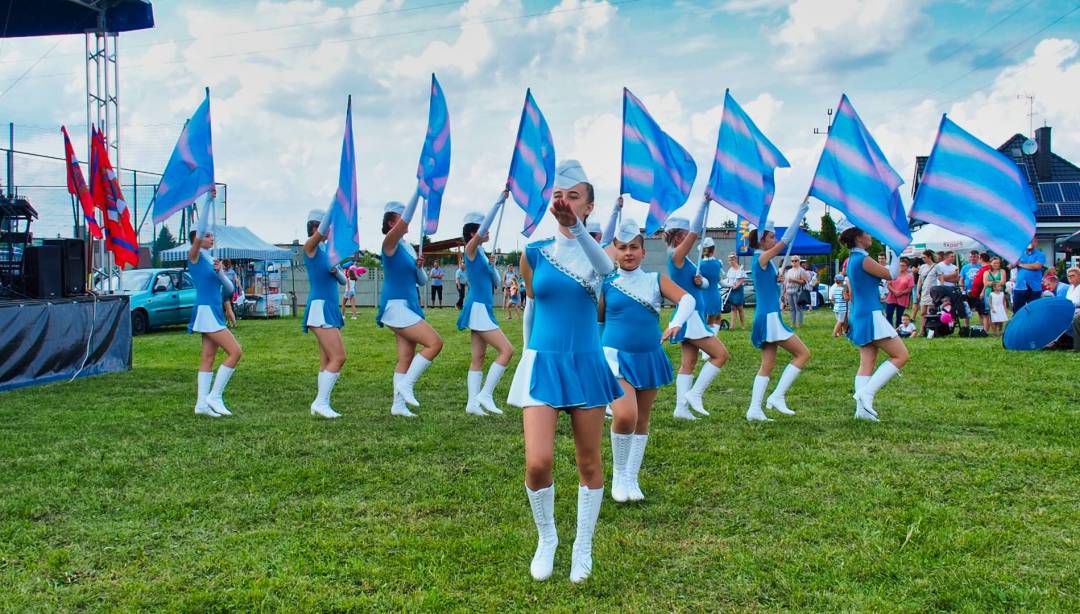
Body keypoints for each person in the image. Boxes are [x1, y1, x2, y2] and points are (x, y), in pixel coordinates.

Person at [508, 160, 622, 583]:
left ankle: (583, 545)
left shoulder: (598, 252)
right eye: (559, 195)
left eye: (574, 195)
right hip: (542, 362)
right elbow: (532, 309)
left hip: (586, 362)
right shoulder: (533, 253)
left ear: (589, 206)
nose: (565, 201)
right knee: (538, 462)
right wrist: (525, 353)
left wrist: (576, 229)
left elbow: (607, 273)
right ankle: (548, 538)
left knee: (588, 462)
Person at [601, 218, 696, 502]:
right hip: (615, 358)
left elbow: (688, 300)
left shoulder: (655, 280)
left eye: (634, 247)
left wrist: (676, 322)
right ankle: (619, 475)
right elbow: (597, 320)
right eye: (622, 248)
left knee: (642, 420)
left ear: (644, 252)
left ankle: (632, 477)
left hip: (649, 356)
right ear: (615, 251)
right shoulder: (607, 283)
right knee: (625, 415)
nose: (628, 253)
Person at [377, 194, 444, 418]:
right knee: (434, 343)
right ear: (391, 222)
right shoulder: (389, 244)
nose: (406, 222)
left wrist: (419, 267)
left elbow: (422, 281)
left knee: (406, 356)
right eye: (401, 218)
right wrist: (419, 190)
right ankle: (406, 386)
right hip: (395, 306)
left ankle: (398, 405)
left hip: (409, 304)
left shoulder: (408, 247)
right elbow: (405, 222)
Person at [745, 203, 812, 422]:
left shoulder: (764, 261)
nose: (775, 241)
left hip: (768, 315)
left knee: (768, 364)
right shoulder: (761, 258)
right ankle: (777, 396)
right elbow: (786, 241)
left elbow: (766, 286)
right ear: (763, 239)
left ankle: (755, 408)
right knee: (803, 354)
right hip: (769, 317)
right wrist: (799, 215)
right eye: (772, 237)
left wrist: (776, 281)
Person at [665, 199, 731, 421]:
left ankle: (680, 409)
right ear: (678, 235)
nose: (689, 238)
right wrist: (703, 203)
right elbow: (696, 232)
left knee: (689, 363)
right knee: (721, 355)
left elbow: (696, 283)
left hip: (693, 315)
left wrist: (700, 281)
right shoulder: (676, 256)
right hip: (691, 316)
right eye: (685, 234)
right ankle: (695, 394)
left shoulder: (684, 259)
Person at [839, 221, 909, 422]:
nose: (871, 236)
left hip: (861, 312)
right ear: (859, 237)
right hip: (870, 313)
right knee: (901, 355)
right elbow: (891, 274)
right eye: (868, 233)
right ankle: (867, 393)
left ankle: (861, 411)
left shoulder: (853, 259)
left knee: (867, 362)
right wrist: (896, 250)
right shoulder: (862, 259)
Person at [457, 195, 515, 417]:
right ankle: (485, 395)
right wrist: (498, 203)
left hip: (483, 306)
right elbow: (483, 232)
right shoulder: (470, 249)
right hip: (478, 307)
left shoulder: (481, 253)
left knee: (478, 357)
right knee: (507, 350)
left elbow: (497, 283)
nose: (488, 232)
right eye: (483, 229)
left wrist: (493, 266)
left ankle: (472, 403)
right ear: (474, 232)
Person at [186, 192, 242, 418]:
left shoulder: (211, 259)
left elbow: (229, 290)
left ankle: (201, 404)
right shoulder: (194, 256)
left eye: (211, 235)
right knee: (235, 352)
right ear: (197, 238)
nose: (211, 238)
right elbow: (199, 233)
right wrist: (209, 201)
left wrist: (220, 273)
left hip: (214, 310)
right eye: (207, 235)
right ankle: (215, 396)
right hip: (206, 311)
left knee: (208, 357)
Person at [301, 209, 348, 419]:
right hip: (319, 307)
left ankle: (322, 403)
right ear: (316, 227)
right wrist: (334, 205)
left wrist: (335, 270)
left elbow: (343, 281)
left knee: (326, 360)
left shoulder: (329, 251)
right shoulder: (310, 248)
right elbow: (319, 234)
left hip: (329, 307)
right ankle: (320, 402)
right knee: (339, 357)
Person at [1012, 237, 1046, 312]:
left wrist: (1020, 264)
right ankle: (1019, 323)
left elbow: (1037, 266)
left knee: (1034, 311)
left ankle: (1033, 324)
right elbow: (1012, 265)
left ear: (1036, 242)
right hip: (1020, 286)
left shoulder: (1040, 254)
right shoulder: (1019, 253)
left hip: (1035, 287)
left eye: (1031, 241)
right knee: (1017, 311)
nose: (1029, 243)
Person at [698, 238, 723, 329]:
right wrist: (732, 284)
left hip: (702, 295)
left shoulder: (699, 265)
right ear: (714, 249)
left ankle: (706, 339)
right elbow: (720, 281)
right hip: (715, 294)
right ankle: (712, 338)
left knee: (704, 320)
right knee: (717, 318)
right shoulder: (718, 263)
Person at [916, 250, 941, 337]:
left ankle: (931, 330)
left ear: (929, 257)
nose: (923, 259)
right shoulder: (922, 267)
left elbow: (941, 278)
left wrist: (940, 289)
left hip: (932, 292)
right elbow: (919, 280)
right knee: (922, 312)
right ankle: (922, 330)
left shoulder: (936, 266)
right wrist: (917, 291)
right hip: (924, 291)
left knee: (930, 312)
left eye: (924, 257)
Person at [884, 259, 914, 328]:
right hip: (891, 297)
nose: (901, 267)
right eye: (900, 265)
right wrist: (895, 291)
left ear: (907, 267)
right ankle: (889, 329)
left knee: (899, 316)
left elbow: (910, 288)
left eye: (903, 265)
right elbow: (888, 285)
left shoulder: (909, 276)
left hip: (902, 298)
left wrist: (901, 293)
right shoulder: (893, 274)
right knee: (889, 314)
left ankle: (899, 330)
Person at [783, 255, 810, 327]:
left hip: (798, 291)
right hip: (789, 291)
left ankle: (799, 324)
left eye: (796, 260)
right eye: (792, 261)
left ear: (799, 261)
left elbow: (804, 281)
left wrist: (793, 280)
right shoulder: (789, 271)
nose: (794, 262)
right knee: (792, 308)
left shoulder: (802, 270)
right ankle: (792, 323)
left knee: (798, 308)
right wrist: (784, 292)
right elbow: (786, 282)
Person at [967, 252, 991, 330]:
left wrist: (982, 292)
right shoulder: (982, 268)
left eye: (978, 258)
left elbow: (986, 282)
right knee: (980, 312)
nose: (978, 260)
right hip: (976, 294)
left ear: (981, 259)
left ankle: (985, 329)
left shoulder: (987, 268)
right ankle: (982, 328)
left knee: (985, 313)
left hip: (982, 294)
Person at [724, 254, 746, 329]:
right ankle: (732, 326)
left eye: (732, 260)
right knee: (733, 308)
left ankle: (743, 325)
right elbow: (728, 279)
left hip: (738, 289)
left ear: (735, 260)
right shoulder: (730, 270)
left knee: (740, 308)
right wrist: (728, 285)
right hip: (731, 289)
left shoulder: (740, 269)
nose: (731, 262)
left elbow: (742, 279)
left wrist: (736, 286)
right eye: (729, 260)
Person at [1064, 267, 1080, 350]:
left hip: (1077, 310)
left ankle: (1073, 343)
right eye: (1068, 276)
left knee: (1074, 318)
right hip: (1070, 309)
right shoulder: (1070, 288)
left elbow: (1076, 302)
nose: (1070, 278)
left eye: (1072, 276)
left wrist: (1070, 304)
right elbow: (1067, 300)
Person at [221, 259, 238, 327]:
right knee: (227, 308)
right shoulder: (232, 272)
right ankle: (230, 323)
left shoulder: (222, 272)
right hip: (232, 291)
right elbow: (236, 281)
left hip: (225, 291)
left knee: (228, 309)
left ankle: (234, 323)